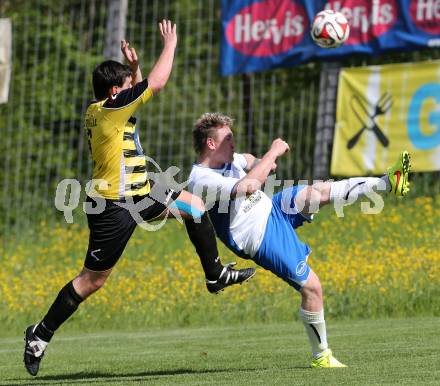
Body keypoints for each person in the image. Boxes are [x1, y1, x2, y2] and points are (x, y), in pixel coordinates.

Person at [23, 22, 255, 377]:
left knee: (193, 206)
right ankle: (40, 335)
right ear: (115, 93)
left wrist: (133, 69)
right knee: (92, 281)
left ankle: (215, 275)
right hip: (113, 205)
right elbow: (156, 84)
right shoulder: (108, 112)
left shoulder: (104, 108)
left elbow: (141, 89)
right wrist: (171, 44)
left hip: (141, 193)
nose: (136, 89)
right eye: (129, 87)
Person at [187, 112, 411, 368]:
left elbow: (246, 160)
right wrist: (272, 153)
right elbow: (248, 187)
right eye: (228, 139)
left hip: (272, 209)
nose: (233, 143)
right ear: (211, 144)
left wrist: (258, 161)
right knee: (312, 287)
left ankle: (388, 182)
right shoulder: (200, 179)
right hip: (259, 236)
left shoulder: (227, 159)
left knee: (318, 191)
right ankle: (322, 356)